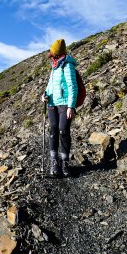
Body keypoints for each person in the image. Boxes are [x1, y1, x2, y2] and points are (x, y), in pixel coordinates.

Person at [41, 39, 78, 177]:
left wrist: (71, 106)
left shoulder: (67, 66)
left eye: (52, 52)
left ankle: (65, 163)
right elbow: (50, 86)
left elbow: (73, 87)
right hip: (51, 104)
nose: (51, 55)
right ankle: (54, 162)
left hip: (64, 104)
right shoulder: (55, 66)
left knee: (63, 131)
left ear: (56, 53)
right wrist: (44, 95)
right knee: (53, 131)